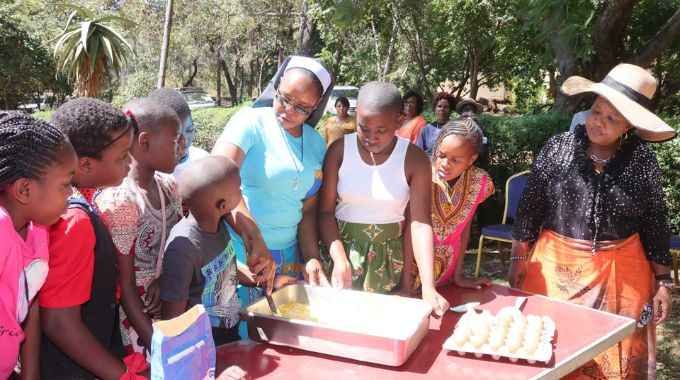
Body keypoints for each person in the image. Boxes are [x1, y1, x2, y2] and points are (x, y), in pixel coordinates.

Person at [508, 63, 676, 379]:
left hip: (622, 277)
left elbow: (655, 221)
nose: (598, 122)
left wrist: (664, 282)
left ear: (629, 125)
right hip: (554, 271)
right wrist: (519, 255)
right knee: (548, 350)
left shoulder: (641, 160)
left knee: (615, 359)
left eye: (612, 118)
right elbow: (530, 204)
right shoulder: (559, 147)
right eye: (596, 111)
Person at [318, 81, 449, 316]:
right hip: (341, 256)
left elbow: (419, 223)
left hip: (391, 261)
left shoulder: (414, 159)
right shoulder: (338, 151)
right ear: (356, 116)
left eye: (381, 130)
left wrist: (425, 286)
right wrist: (339, 259)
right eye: (363, 128)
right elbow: (325, 212)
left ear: (399, 121)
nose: (371, 138)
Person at [39, 98, 149, 379]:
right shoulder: (74, 221)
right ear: (85, 165)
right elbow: (60, 323)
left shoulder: (84, 201)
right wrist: (122, 375)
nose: (130, 163)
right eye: (122, 157)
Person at [212, 55, 332, 310]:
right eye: (283, 98)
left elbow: (307, 210)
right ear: (276, 87)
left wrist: (311, 257)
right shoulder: (250, 122)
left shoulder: (315, 142)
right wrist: (255, 239)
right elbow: (217, 180)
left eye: (302, 107)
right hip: (241, 252)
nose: (288, 110)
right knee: (242, 337)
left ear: (317, 105)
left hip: (289, 257)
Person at [96, 98, 183, 356]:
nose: (181, 146)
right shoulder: (123, 199)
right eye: (174, 140)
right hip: (136, 322)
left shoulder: (168, 185)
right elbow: (124, 287)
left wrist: (167, 278)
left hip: (171, 304)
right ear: (144, 142)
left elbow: (178, 242)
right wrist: (158, 348)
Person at [0, 112, 76, 379]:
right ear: (24, 190)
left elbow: (27, 299)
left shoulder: (38, 227)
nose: (72, 194)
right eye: (65, 185)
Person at [160, 156, 243, 347]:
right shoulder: (184, 247)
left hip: (229, 331)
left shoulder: (218, 224)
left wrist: (257, 278)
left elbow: (223, 270)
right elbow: (173, 319)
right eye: (239, 188)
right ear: (222, 205)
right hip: (204, 343)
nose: (241, 191)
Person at [409, 119, 494, 292]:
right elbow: (409, 225)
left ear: (472, 159)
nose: (445, 164)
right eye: (441, 155)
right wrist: (404, 283)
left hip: (447, 270)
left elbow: (464, 227)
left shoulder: (480, 182)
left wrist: (457, 276)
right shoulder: (420, 174)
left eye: (455, 160)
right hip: (410, 264)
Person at [147, 88, 209, 183]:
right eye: (176, 134)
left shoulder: (204, 161)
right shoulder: (149, 173)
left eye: (189, 130)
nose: (184, 140)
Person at [416, 92, 456, 158]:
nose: (442, 109)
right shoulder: (427, 129)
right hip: (427, 165)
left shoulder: (456, 129)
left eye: (446, 107)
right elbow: (418, 151)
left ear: (451, 110)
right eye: (439, 106)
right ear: (435, 109)